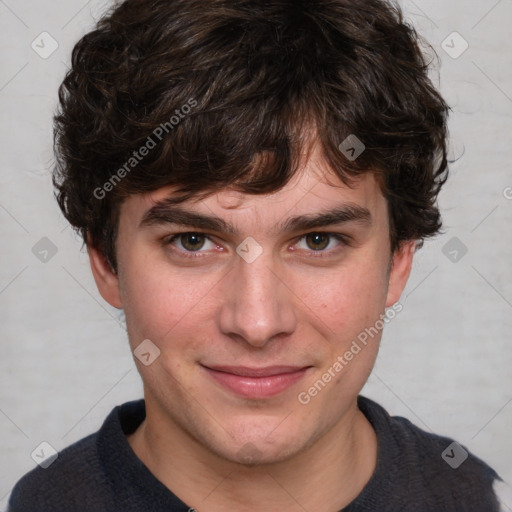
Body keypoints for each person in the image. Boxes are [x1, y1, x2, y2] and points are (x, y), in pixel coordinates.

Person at [8, 0, 502, 510]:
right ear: (105, 260)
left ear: (399, 259)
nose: (258, 323)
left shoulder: (473, 496)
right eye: (193, 241)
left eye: (318, 241)